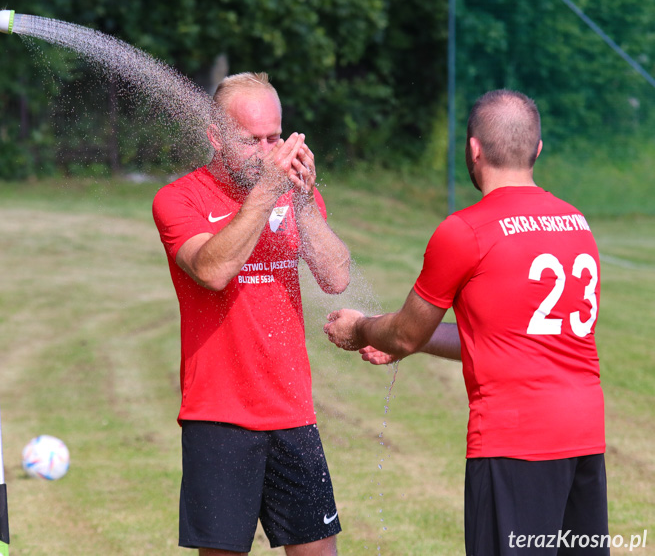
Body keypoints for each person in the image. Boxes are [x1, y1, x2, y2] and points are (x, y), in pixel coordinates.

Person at [324, 89, 608, 555]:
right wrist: (408, 343)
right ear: (538, 149)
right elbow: (504, 337)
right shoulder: (576, 223)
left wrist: (361, 329)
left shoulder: (465, 231)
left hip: (514, 443)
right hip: (583, 440)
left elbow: (404, 331)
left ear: (473, 149)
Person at [152, 72, 351, 556]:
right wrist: (266, 193)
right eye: (251, 140)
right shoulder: (180, 198)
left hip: (292, 411)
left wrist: (302, 202)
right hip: (218, 417)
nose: (267, 151)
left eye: (274, 137)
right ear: (216, 138)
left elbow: (336, 276)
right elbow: (213, 270)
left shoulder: (294, 192)